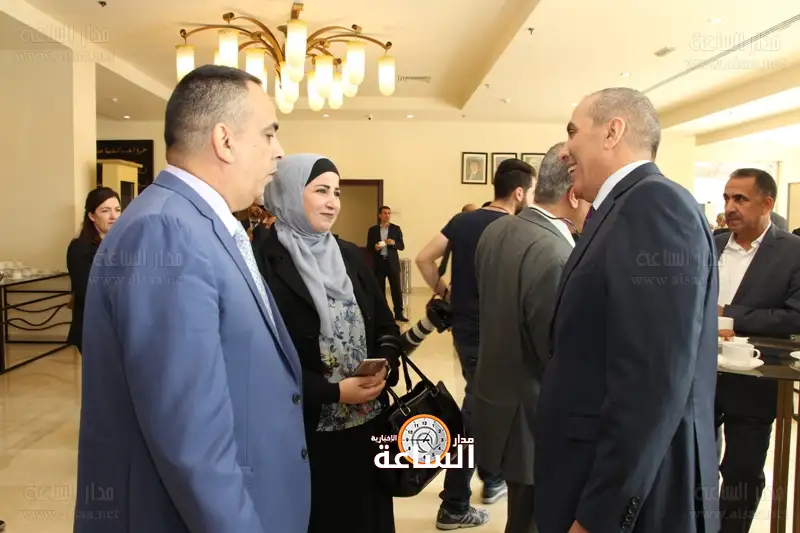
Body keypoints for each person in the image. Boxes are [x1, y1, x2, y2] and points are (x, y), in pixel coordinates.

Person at [74, 65, 310, 533]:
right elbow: (190, 434)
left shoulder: (196, 221)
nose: (279, 151)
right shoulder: (166, 230)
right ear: (225, 140)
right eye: (268, 134)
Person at [533, 87, 720, 533]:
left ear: (612, 132)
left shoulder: (654, 206)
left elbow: (651, 383)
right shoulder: (620, 208)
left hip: (634, 501)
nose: (564, 151)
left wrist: (600, 516)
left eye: (573, 132)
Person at [254, 154, 402, 533]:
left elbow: (385, 325)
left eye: (336, 193)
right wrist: (335, 392)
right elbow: (262, 360)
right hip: (308, 435)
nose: (333, 202)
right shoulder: (263, 264)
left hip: (367, 425)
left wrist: (384, 364)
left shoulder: (349, 255)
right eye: (321, 190)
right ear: (289, 193)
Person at [474, 142, 590, 533]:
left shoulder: (497, 229)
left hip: (500, 403)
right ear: (573, 194)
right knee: (538, 519)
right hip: (535, 417)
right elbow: (553, 353)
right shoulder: (555, 253)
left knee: (523, 515)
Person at [416, 160, 535, 530]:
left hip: (465, 330)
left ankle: (493, 478)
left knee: (486, 405)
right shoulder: (514, 228)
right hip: (498, 335)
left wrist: (444, 291)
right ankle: (454, 503)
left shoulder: (463, 221)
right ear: (519, 192)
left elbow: (423, 258)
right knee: (478, 413)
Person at [715, 168, 800, 532]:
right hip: (700, 377)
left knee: (742, 473)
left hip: (754, 381)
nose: (730, 207)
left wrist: (729, 315)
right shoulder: (712, 244)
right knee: (688, 462)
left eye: (740, 199)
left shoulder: (793, 252)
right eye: (727, 198)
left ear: (767, 204)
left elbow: (794, 316)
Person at [66, 187, 120, 352]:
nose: (113, 216)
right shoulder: (79, 247)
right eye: (105, 211)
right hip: (93, 326)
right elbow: (86, 290)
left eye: (117, 210)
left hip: (117, 324)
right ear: (91, 216)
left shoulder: (121, 243)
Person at [367, 206, 408, 321]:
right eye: (385, 213)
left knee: (396, 290)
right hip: (379, 263)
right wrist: (375, 247)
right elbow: (369, 246)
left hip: (392, 263)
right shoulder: (373, 230)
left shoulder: (396, 229)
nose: (387, 215)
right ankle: (383, 315)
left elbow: (401, 246)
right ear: (380, 215)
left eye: (389, 213)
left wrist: (393, 243)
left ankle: (399, 314)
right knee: (380, 290)